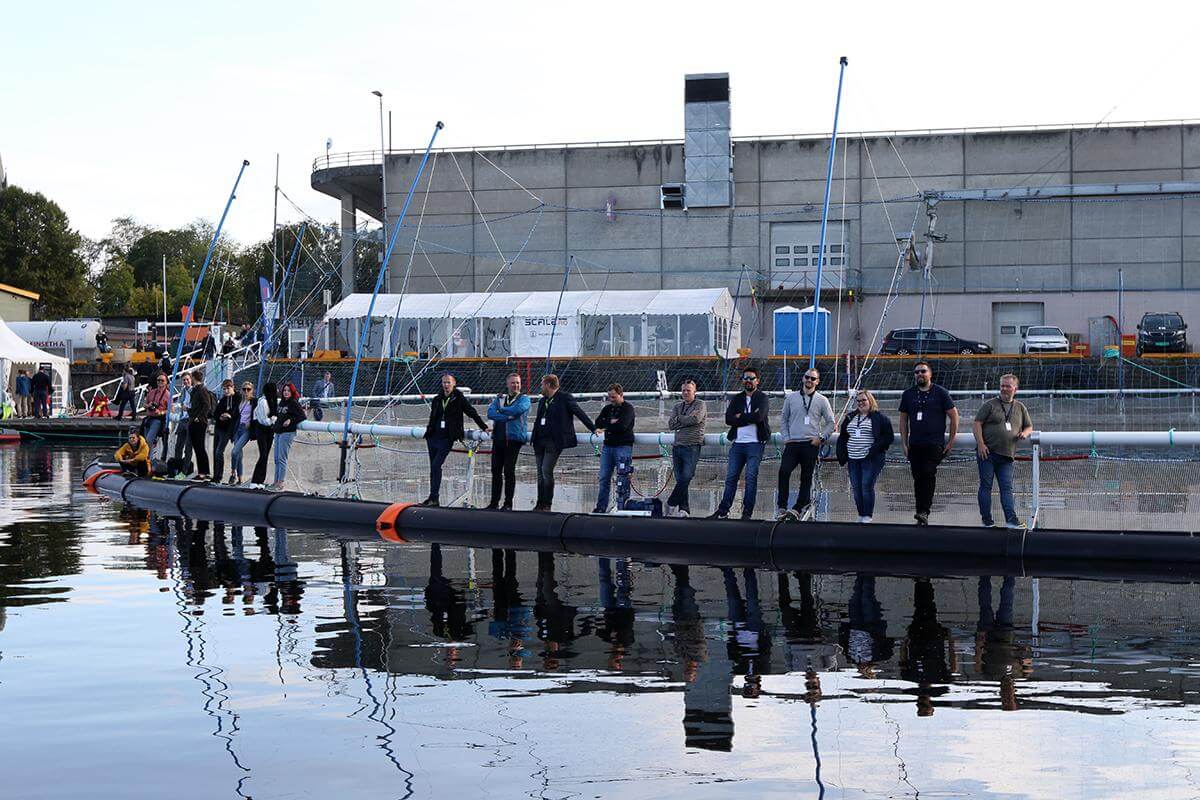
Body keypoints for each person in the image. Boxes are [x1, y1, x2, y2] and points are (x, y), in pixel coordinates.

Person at [898, 361, 959, 526]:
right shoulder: (908, 394)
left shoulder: (940, 393)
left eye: (923, 371)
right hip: (915, 444)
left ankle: (925, 510)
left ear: (930, 374)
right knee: (917, 478)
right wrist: (904, 443)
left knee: (928, 473)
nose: (920, 374)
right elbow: (903, 420)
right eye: (916, 372)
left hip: (934, 443)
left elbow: (954, 416)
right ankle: (920, 512)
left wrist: (951, 442)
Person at [973, 373, 1033, 529]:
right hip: (987, 453)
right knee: (985, 486)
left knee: (1007, 488)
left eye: (1008, 386)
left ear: (1015, 388)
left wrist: (1024, 434)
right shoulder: (990, 405)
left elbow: (1029, 426)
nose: (1004, 389)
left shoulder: (1020, 407)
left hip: (1007, 455)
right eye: (1002, 386)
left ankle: (1011, 519)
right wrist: (981, 444)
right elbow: (977, 423)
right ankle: (986, 519)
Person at [710, 367, 769, 520]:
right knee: (731, 478)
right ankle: (723, 511)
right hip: (738, 444)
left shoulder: (762, 398)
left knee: (751, 477)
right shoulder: (737, 398)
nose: (748, 381)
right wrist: (749, 416)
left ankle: (747, 513)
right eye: (746, 378)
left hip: (755, 444)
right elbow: (728, 419)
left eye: (751, 378)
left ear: (757, 380)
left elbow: (759, 417)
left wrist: (740, 416)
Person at [776, 367, 835, 521]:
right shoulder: (791, 398)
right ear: (803, 378)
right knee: (784, 472)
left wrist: (821, 438)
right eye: (807, 377)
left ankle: (798, 507)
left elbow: (831, 422)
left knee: (806, 477)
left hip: (810, 444)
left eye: (813, 378)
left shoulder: (822, 400)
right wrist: (786, 437)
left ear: (817, 382)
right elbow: (783, 419)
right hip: (793, 443)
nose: (809, 380)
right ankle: (782, 506)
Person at [421, 374, 489, 507]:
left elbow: (471, 412)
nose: (446, 385)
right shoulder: (437, 399)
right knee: (433, 468)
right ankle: (433, 497)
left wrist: (483, 426)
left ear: (454, 384)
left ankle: (434, 497)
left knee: (436, 465)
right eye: (444, 383)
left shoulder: (458, 398)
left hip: (447, 437)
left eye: (448, 383)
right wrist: (429, 431)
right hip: (434, 436)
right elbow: (432, 417)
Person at [530, 374, 595, 512]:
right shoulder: (543, 401)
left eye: (542, 384)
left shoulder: (564, 398)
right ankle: (539, 503)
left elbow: (579, 413)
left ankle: (547, 503)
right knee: (539, 473)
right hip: (539, 440)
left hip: (553, 441)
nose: (541, 387)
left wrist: (593, 428)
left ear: (548, 385)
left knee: (546, 470)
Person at [836, 390, 895, 523]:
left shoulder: (879, 418)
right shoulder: (850, 417)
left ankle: (868, 516)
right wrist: (841, 454)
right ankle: (861, 514)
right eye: (859, 401)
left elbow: (888, 436)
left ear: (870, 401)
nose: (861, 403)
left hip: (870, 458)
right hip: (853, 458)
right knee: (856, 487)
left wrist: (874, 449)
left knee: (866, 485)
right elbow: (843, 436)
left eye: (864, 400)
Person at [485, 372, 530, 510]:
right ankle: (494, 503)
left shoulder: (524, 399)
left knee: (509, 471)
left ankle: (508, 503)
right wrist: (506, 416)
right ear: (507, 384)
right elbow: (490, 413)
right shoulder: (499, 399)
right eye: (513, 382)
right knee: (495, 471)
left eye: (517, 382)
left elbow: (517, 410)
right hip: (498, 438)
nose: (515, 385)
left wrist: (500, 411)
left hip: (513, 439)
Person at [592, 383, 636, 514]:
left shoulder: (628, 408)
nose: (611, 400)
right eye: (610, 397)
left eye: (614, 397)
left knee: (623, 477)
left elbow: (622, 426)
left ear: (621, 395)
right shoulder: (607, 409)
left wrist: (607, 425)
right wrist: (610, 424)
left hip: (623, 446)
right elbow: (598, 422)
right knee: (604, 477)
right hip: (608, 446)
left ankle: (622, 505)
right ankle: (601, 507)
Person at [666, 379, 707, 517]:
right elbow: (671, 424)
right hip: (677, 446)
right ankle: (684, 509)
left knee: (687, 476)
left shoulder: (700, 404)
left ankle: (671, 502)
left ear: (694, 391)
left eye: (688, 390)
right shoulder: (678, 406)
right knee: (680, 479)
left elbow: (695, 420)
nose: (685, 393)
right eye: (683, 390)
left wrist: (679, 419)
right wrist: (684, 419)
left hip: (692, 446)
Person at [270, 382, 306, 491]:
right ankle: (275, 481)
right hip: (278, 432)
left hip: (287, 433)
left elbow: (302, 416)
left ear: (292, 392)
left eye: (288, 391)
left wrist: (291, 420)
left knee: (282, 458)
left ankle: (280, 483)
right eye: (285, 390)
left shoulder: (293, 403)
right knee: (276, 458)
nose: (286, 392)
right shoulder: (282, 402)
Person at [186, 369, 214, 480]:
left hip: (199, 422)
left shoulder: (202, 390)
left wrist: (199, 417)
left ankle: (204, 471)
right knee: (197, 447)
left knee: (199, 447)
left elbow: (207, 405)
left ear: (193, 378)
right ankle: (203, 470)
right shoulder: (196, 390)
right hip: (193, 420)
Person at [249, 382, 278, 487]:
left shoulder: (271, 401)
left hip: (269, 431)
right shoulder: (263, 402)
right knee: (263, 455)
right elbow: (263, 420)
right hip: (262, 430)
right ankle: (255, 480)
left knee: (265, 456)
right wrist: (274, 419)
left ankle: (260, 480)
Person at [211, 379, 239, 484]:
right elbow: (216, 413)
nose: (226, 391)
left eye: (228, 388)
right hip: (219, 427)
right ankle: (216, 475)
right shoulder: (223, 400)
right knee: (215, 451)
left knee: (219, 451)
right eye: (224, 389)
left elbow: (236, 412)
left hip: (227, 429)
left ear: (233, 387)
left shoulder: (237, 398)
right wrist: (220, 416)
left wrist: (229, 415)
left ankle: (220, 476)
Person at [228, 382, 255, 485]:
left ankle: (233, 472)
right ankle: (240, 478)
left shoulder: (254, 402)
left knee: (234, 452)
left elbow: (257, 415)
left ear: (252, 390)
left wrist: (251, 423)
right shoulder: (240, 401)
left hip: (246, 429)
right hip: (237, 428)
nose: (246, 391)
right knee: (238, 454)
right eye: (244, 389)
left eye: (248, 389)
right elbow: (235, 415)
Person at [142, 372, 172, 458]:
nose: (160, 382)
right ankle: (148, 460)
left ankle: (150, 460)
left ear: (166, 382)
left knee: (149, 440)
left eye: (162, 380)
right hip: (148, 419)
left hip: (158, 420)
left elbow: (171, 410)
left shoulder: (168, 395)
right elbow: (144, 404)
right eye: (158, 380)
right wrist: (149, 405)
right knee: (146, 442)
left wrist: (161, 412)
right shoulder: (151, 392)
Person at [172, 372, 195, 465]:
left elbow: (197, 406)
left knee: (188, 448)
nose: (185, 381)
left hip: (191, 420)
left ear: (191, 380)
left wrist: (188, 409)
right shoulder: (183, 391)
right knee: (178, 446)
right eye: (184, 380)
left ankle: (185, 470)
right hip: (183, 419)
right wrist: (177, 407)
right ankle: (177, 468)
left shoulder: (194, 391)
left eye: (187, 379)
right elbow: (181, 403)